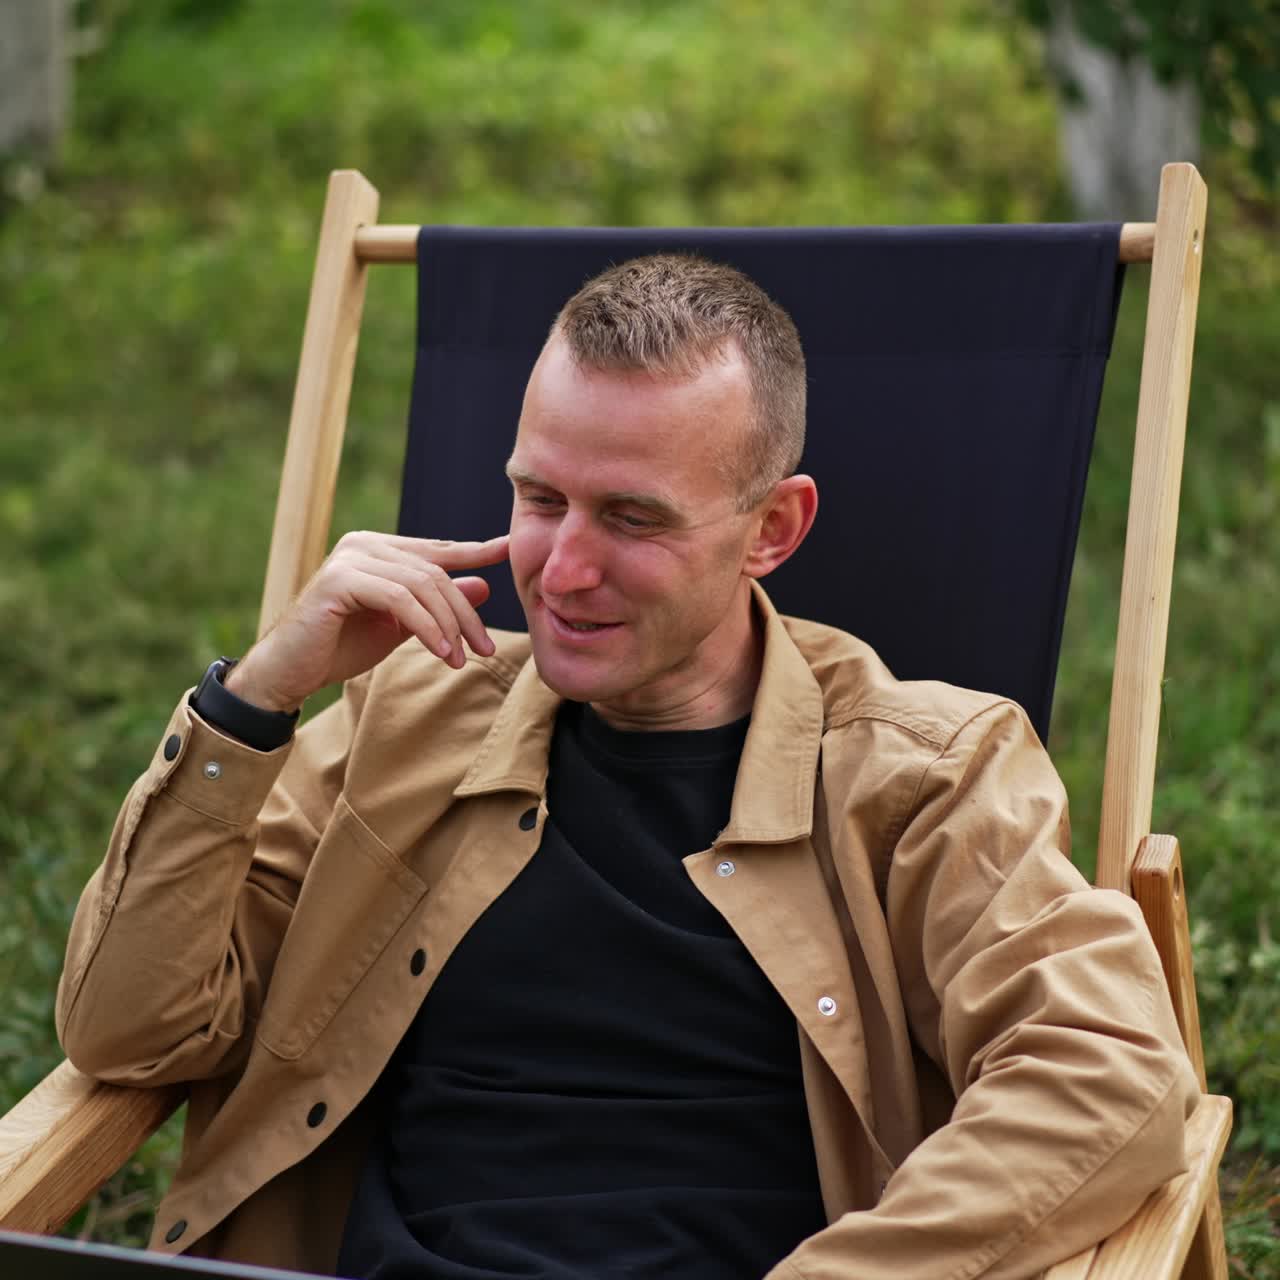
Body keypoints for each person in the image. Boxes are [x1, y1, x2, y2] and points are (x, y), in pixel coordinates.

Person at [57, 254, 1198, 1280]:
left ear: (772, 529)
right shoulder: (406, 715)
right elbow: (132, 1032)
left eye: (632, 518)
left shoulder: (921, 772)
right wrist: (251, 705)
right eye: (538, 498)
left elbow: (1103, 1073)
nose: (559, 571)